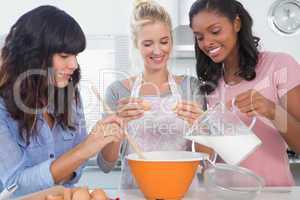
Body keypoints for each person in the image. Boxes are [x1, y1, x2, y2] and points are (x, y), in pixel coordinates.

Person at [0, 5, 124, 197]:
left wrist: (98, 141)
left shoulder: (70, 95)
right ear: (33, 57)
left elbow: (75, 173)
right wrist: (84, 150)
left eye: (75, 55)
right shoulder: (2, 107)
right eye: (64, 56)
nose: (74, 64)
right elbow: (14, 187)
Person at [178, 0, 300, 186]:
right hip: (219, 194)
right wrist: (199, 128)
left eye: (215, 31)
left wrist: (272, 111)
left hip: (273, 193)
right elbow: (207, 159)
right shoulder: (208, 83)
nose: (207, 42)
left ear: (236, 23)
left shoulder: (279, 65)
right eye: (199, 37)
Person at [98, 0, 205, 189]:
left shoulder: (191, 87)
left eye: (164, 41)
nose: (157, 50)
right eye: (148, 43)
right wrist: (118, 126)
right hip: (136, 192)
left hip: (183, 191)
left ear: (171, 40)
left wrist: (202, 127)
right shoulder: (117, 91)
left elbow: (206, 160)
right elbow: (105, 164)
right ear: (135, 44)